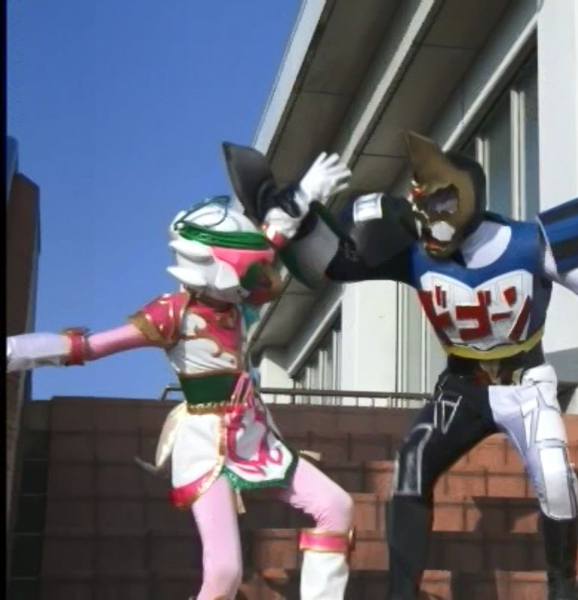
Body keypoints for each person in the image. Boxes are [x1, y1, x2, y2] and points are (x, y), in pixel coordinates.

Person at [224, 132, 578, 599]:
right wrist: (298, 209)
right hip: (462, 386)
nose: (429, 220)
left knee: (555, 478)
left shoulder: (529, 241)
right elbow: (333, 265)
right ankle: (401, 593)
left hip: (526, 382)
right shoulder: (414, 251)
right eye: (420, 205)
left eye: (440, 204)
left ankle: (561, 587)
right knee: (412, 465)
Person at [5, 149, 356, 600]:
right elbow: (88, 347)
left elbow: (270, 240)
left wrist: (306, 193)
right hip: (206, 443)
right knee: (224, 573)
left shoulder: (234, 293)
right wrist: (14, 351)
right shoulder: (171, 313)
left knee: (336, 506)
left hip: (252, 434)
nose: (258, 276)